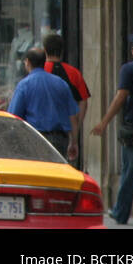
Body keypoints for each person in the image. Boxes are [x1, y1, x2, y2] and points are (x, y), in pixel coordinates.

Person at [91, 34, 133, 224]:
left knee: (128, 172)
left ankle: (121, 212)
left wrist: (104, 122)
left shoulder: (129, 69)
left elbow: (121, 97)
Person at [8, 47, 78, 160]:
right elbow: (73, 116)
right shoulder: (61, 83)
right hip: (59, 141)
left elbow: (14, 117)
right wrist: (73, 141)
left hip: (34, 139)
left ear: (27, 62)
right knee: (55, 174)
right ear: (44, 62)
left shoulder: (24, 85)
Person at [42, 32, 90, 166]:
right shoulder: (74, 73)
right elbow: (83, 101)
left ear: (45, 50)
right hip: (64, 133)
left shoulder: (40, 72)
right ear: (62, 51)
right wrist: (75, 129)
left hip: (40, 132)